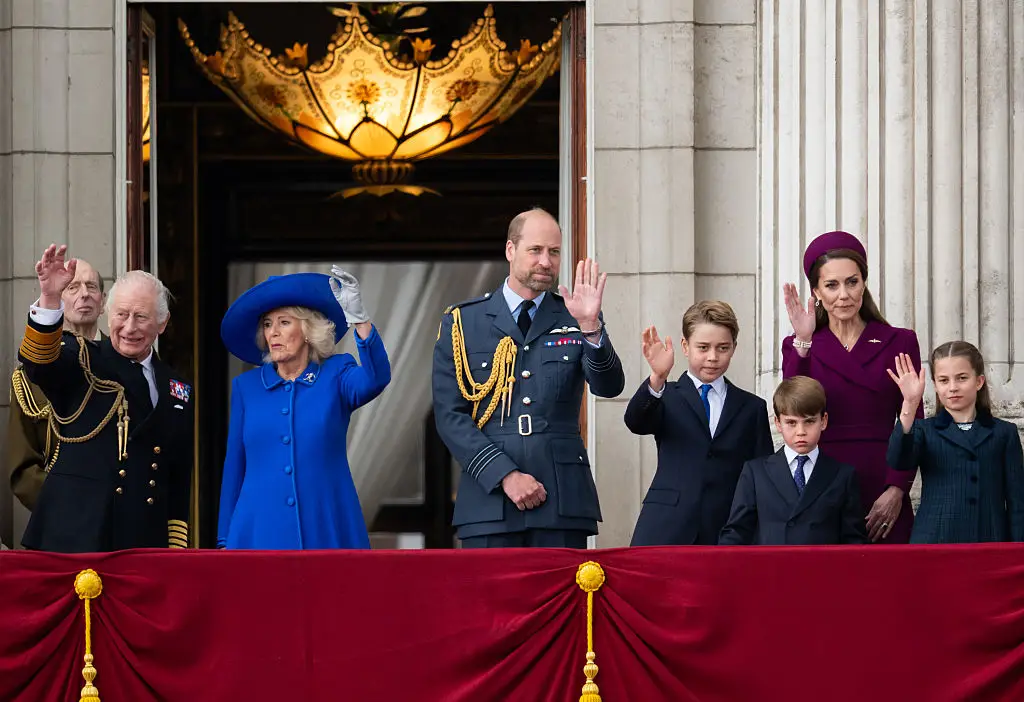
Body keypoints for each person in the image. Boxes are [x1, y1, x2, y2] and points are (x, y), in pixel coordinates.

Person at [432, 207, 625, 549]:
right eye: (535, 250)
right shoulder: (463, 322)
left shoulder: (575, 315)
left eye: (554, 252)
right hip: (489, 501)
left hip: (561, 499)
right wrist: (504, 474)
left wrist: (591, 327)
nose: (546, 262)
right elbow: (450, 416)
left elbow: (609, 387)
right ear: (511, 250)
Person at [17, 245, 194, 552]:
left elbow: (177, 474)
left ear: (162, 323)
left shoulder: (177, 386)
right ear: (109, 314)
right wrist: (49, 298)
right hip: (76, 537)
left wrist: (174, 546)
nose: (129, 327)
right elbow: (40, 363)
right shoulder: (83, 359)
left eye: (141, 317)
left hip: (143, 541)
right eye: (122, 315)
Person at [217, 268, 391, 550]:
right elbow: (235, 465)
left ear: (309, 331)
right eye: (267, 324)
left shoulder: (337, 374)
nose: (273, 332)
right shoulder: (246, 388)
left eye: (284, 322)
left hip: (326, 523)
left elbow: (376, 378)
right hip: (258, 530)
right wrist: (225, 537)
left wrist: (360, 320)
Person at [782, 230, 922, 543]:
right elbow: (792, 408)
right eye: (832, 285)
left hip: (882, 480)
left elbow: (915, 422)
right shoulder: (800, 345)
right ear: (816, 291)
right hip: (822, 481)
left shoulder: (899, 341)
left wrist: (897, 488)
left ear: (863, 283)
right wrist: (803, 341)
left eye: (852, 282)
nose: (844, 294)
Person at [626, 300, 775, 546]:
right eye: (703, 347)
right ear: (685, 346)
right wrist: (657, 377)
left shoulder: (752, 408)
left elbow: (761, 475)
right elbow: (635, 422)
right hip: (666, 526)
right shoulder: (665, 395)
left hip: (727, 530)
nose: (712, 357)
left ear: (734, 348)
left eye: (723, 348)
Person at [887, 342, 1024, 543]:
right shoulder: (924, 430)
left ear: (979, 381)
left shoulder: (1004, 432)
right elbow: (898, 460)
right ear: (935, 385)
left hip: (989, 540)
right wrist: (909, 403)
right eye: (943, 380)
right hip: (935, 541)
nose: (953, 387)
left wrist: (1018, 550)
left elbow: (1017, 502)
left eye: (962, 378)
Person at [7, 257, 107, 512]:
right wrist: (67, 508)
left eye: (91, 287)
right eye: (72, 287)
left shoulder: (126, 363)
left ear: (103, 302)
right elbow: (24, 469)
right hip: (61, 516)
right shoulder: (30, 377)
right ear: (58, 301)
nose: (84, 294)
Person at [719, 376, 868, 545]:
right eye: (791, 422)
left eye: (809, 421)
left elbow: (854, 541)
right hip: (771, 562)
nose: (801, 431)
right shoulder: (755, 473)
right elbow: (737, 532)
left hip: (821, 562)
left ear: (823, 421)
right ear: (778, 423)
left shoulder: (843, 475)